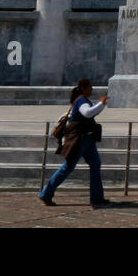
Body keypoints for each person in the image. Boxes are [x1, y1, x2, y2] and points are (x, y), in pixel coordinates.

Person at [40, 79, 109, 208]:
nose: (92, 90)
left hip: (88, 140)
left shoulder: (83, 100)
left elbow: (90, 113)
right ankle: (46, 194)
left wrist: (101, 105)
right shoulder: (81, 100)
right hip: (80, 140)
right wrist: (101, 103)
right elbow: (88, 113)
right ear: (83, 88)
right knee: (67, 167)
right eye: (90, 87)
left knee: (95, 165)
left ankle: (97, 197)